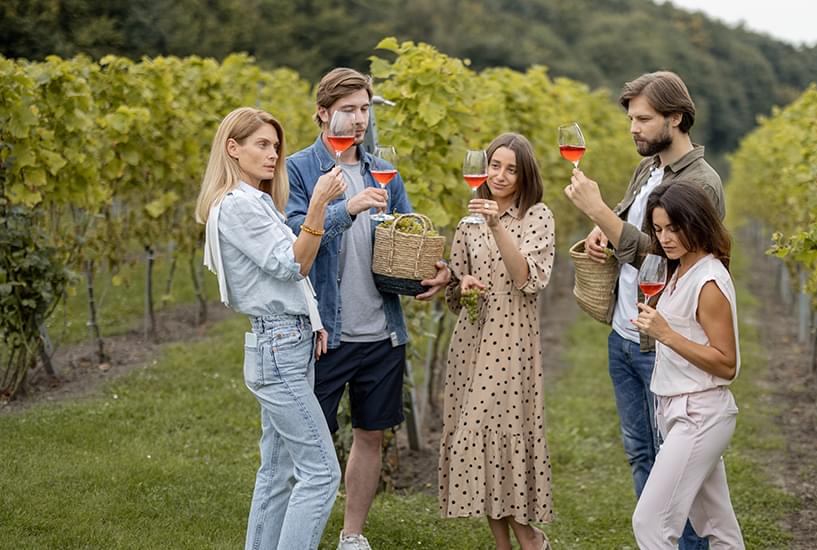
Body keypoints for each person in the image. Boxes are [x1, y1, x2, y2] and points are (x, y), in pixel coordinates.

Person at [284, 68, 450, 550]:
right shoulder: (299, 169)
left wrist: (433, 269)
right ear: (322, 113)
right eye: (348, 110)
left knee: (370, 436)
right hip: (325, 334)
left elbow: (408, 235)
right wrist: (347, 207)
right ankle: (297, 532)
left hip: (381, 332)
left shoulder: (383, 169)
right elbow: (298, 239)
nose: (359, 120)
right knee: (308, 443)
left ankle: (351, 535)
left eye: (365, 109)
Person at [563, 71, 724, 550]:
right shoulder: (648, 168)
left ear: (676, 117)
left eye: (643, 118)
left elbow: (671, 255)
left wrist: (599, 215)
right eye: (631, 118)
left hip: (666, 341)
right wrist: (603, 236)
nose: (633, 127)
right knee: (640, 454)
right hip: (625, 333)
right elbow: (634, 227)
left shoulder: (702, 182)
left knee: (677, 469)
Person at [195, 107, 346, 550]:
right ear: (232, 147)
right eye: (262, 144)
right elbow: (295, 264)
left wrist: (312, 320)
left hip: (288, 340)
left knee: (278, 472)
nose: (273, 154)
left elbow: (288, 277)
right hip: (279, 345)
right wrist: (318, 204)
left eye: (276, 146)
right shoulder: (239, 205)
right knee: (321, 472)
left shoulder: (254, 201)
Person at [439, 133, 555, 550]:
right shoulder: (466, 224)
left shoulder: (537, 216)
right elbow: (453, 291)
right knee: (481, 446)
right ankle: (511, 544)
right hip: (471, 341)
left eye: (511, 169)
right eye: (494, 166)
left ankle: (529, 538)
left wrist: (494, 225)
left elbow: (527, 279)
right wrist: (462, 285)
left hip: (513, 344)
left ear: (525, 175)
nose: (500, 175)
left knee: (494, 439)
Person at [630, 182, 744, 549]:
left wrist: (666, 334)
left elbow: (727, 364)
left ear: (695, 222)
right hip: (678, 409)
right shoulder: (679, 270)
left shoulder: (708, 281)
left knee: (650, 522)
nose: (665, 238)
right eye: (659, 229)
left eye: (673, 228)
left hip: (699, 414)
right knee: (719, 527)